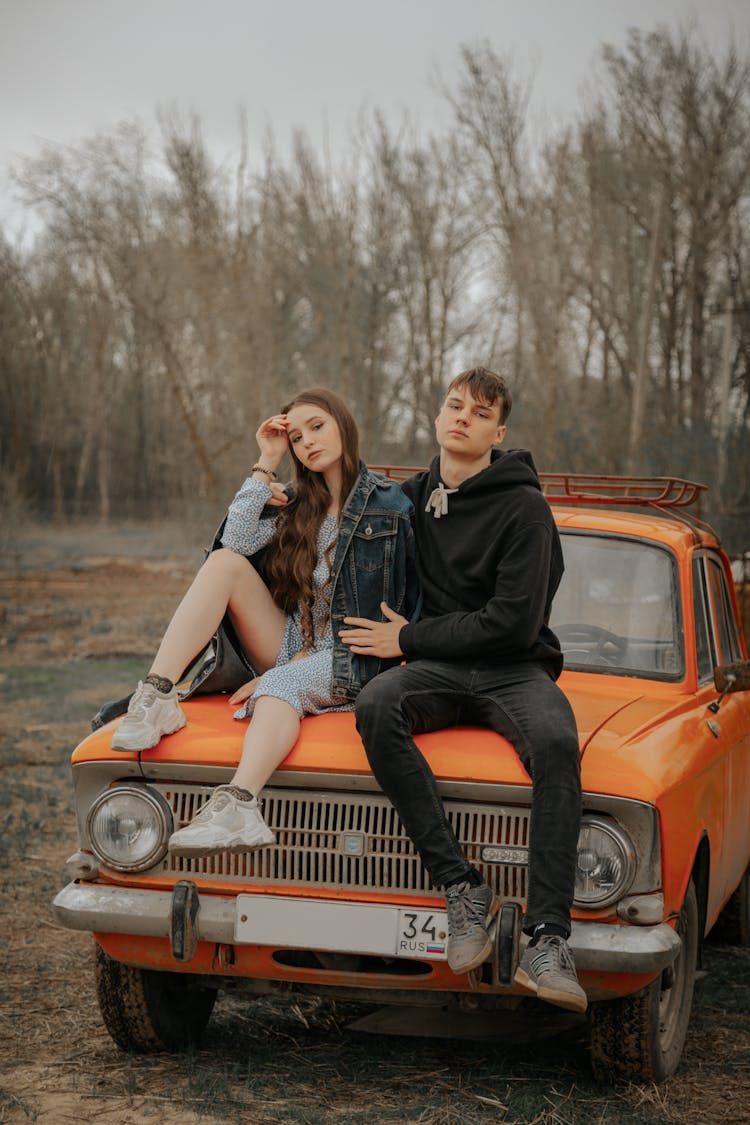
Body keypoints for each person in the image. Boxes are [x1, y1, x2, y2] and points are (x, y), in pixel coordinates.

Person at [339, 367, 586, 1014]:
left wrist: (411, 639)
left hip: (512, 666)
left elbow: (512, 622)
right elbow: (339, 500)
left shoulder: (525, 508)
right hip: (441, 669)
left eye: (479, 413)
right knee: (375, 706)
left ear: (498, 431)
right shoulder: (411, 498)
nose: (462, 418)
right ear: (438, 414)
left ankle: (548, 937)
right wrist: (270, 470)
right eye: (454, 406)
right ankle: (461, 885)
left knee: (559, 740)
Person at [111, 387, 419, 857]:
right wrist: (264, 462)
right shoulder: (297, 503)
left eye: (317, 427)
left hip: (354, 653)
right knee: (224, 566)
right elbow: (230, 544)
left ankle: (239, 804)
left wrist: (408, 641)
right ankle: (157, 694)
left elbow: (421, 589)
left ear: (343, 425)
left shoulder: (391, 504)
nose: (308, 442)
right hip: (295, 640)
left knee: (279, 688)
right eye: (296, 437)